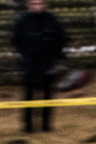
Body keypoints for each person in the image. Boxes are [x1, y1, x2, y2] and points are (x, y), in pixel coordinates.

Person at [12, 0, 67, 133]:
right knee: (28, 96)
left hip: (48, 65)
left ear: (45, 4)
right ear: (28, 5)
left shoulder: (52, 20)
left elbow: (61, 39)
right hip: (29, 65)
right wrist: (24, 55)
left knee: (48, 97)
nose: (36, 6)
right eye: (33, 4)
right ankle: (28, 127)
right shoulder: (22, 21)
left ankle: (46, 126)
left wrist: (56, 58)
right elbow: (16, 41)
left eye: (39, 3)